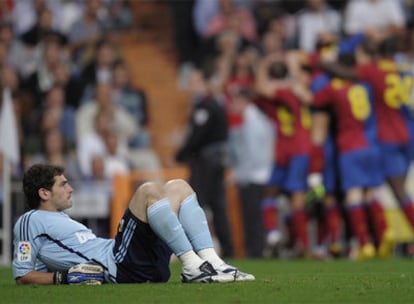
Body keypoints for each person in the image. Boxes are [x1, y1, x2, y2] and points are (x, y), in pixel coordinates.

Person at [12, 163, 255, 284]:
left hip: (137, 263)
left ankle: (212, 263)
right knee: (147, 191)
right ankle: (192, 267)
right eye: (63, 184)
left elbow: (50, 259)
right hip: (119, 264)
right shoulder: (29, 221)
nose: (70, 188)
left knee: (179, 186)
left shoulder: (60, 219)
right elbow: (22, 275)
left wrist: (61, 273)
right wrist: (62, 278)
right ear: (44, 193)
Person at [175, 68, 234, 258]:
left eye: (194, 81)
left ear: (204, 83)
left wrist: (180, 155)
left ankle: (194, 248)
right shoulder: (214, 105)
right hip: (218, 160)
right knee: (218, 206)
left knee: (195, 204)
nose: (190, 85)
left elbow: (197, 136)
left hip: (206, 162)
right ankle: (228, 249)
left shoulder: (205, 107)